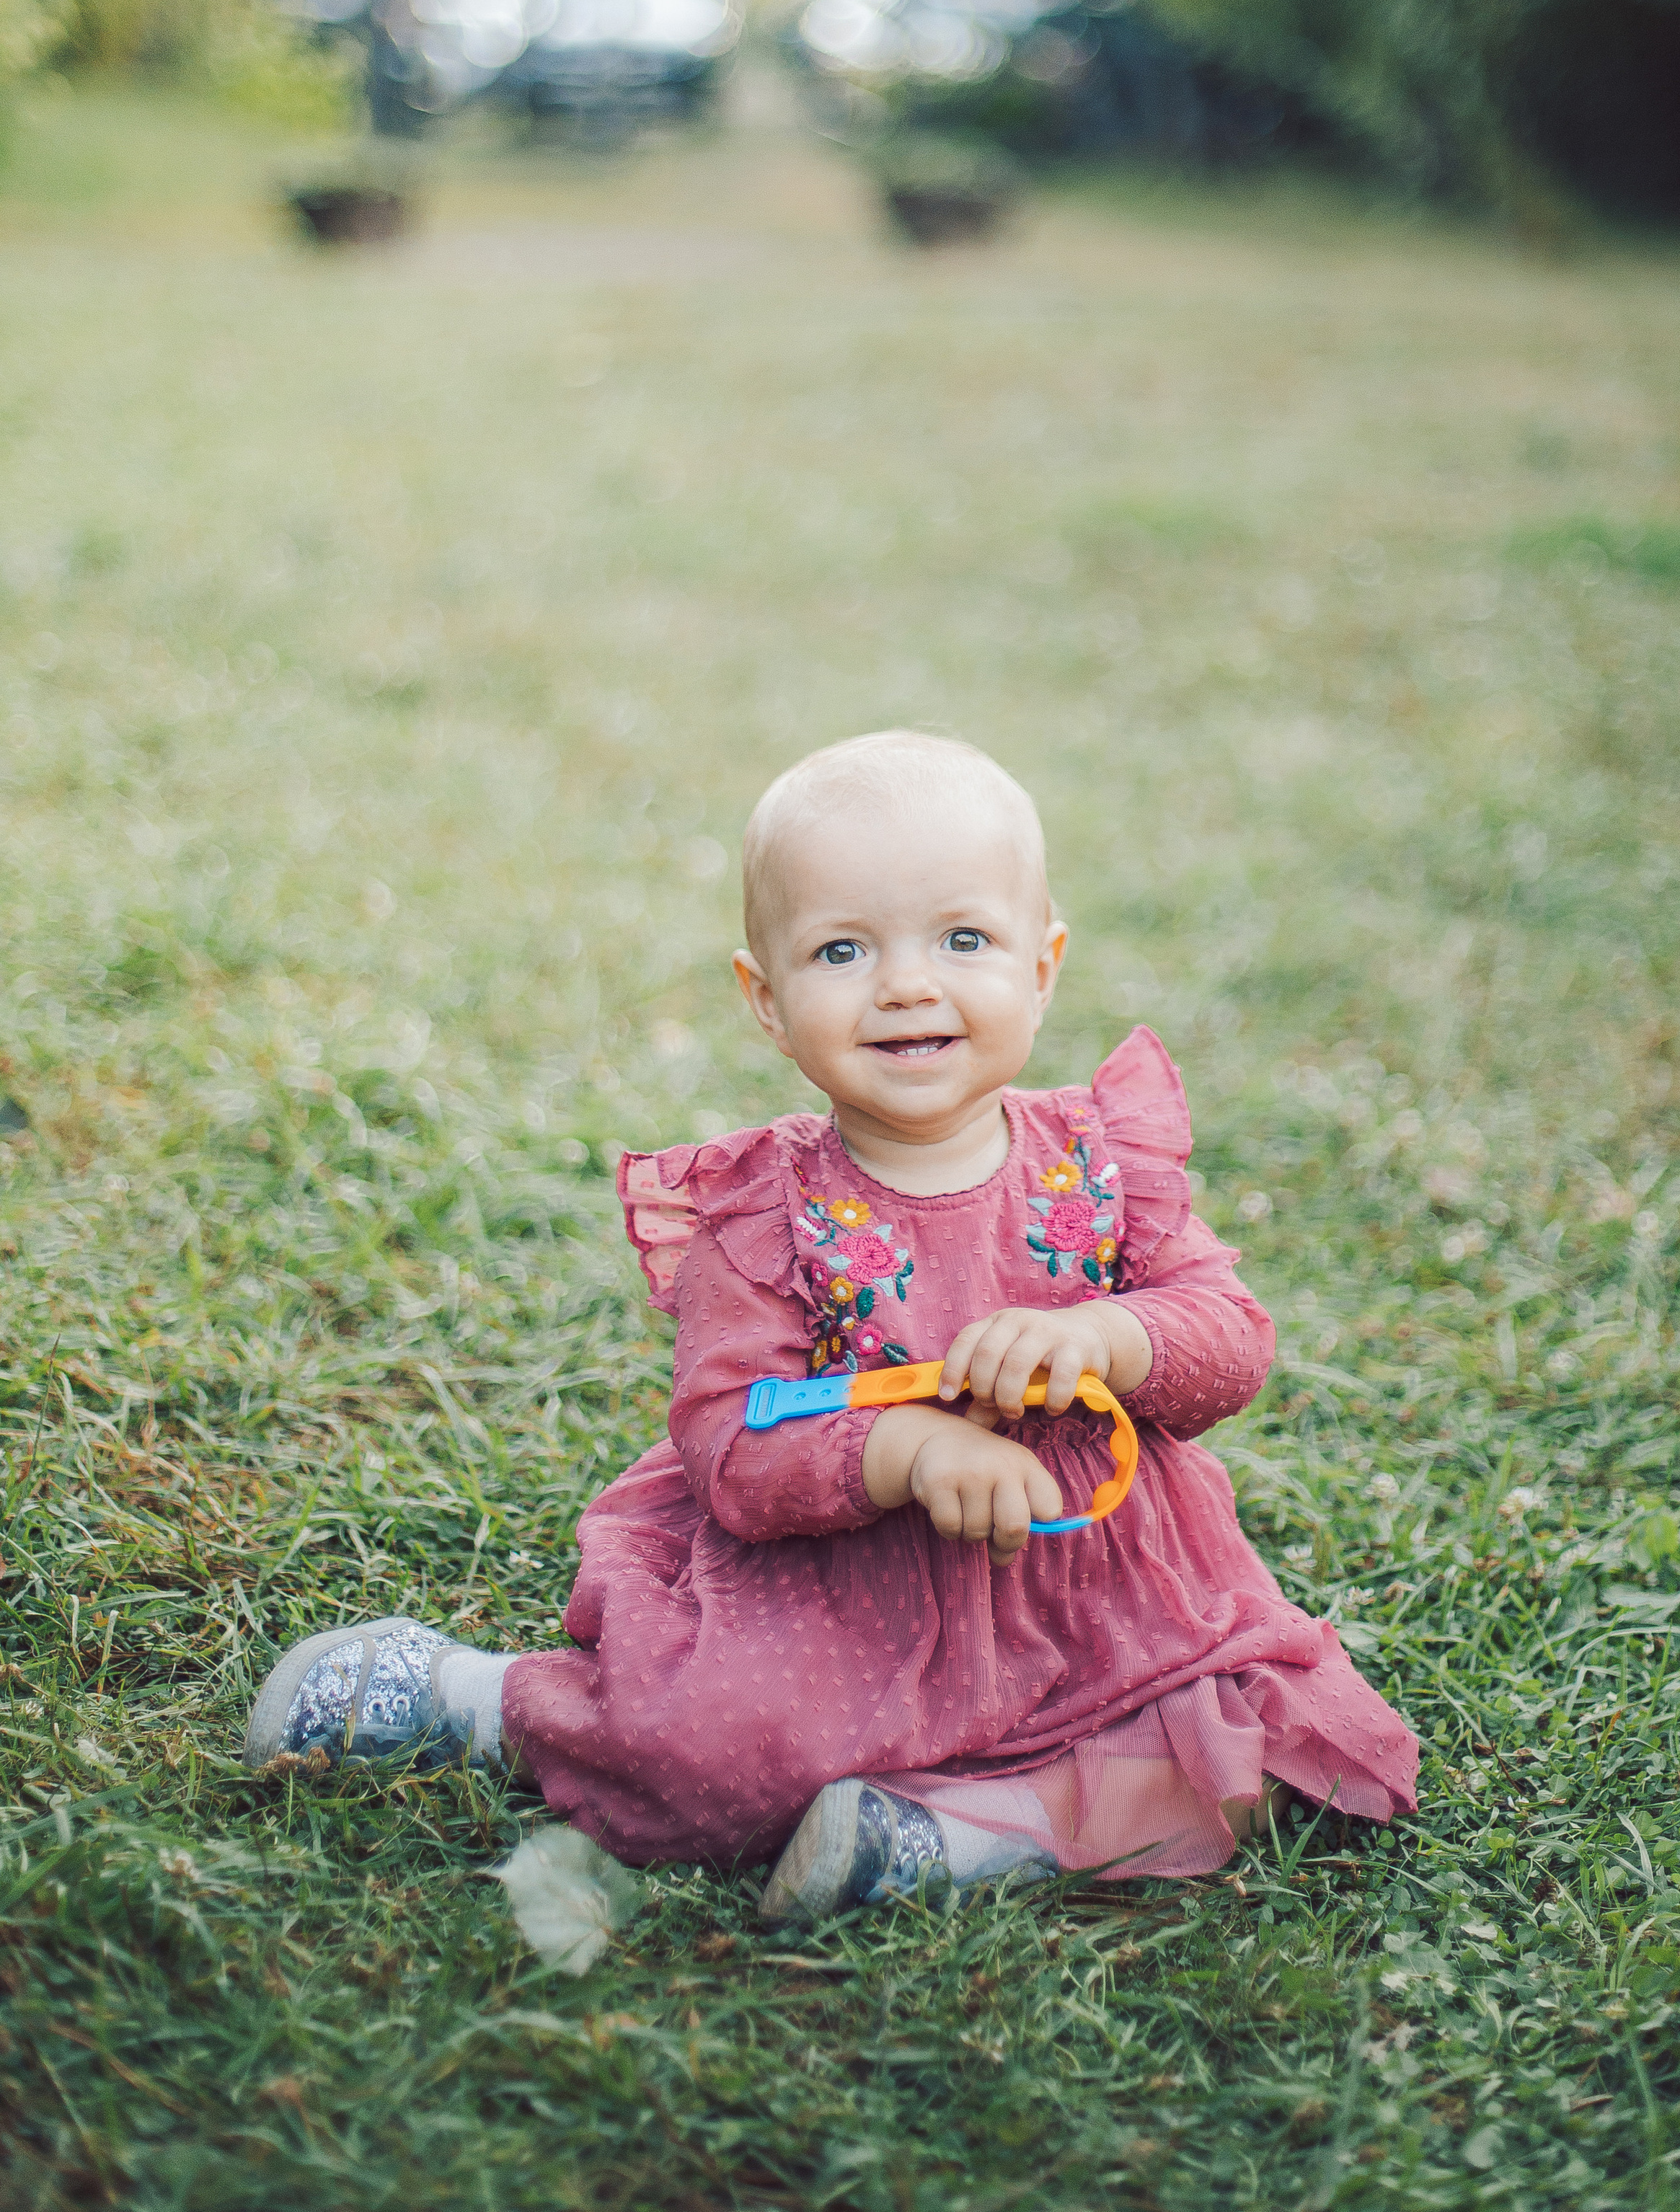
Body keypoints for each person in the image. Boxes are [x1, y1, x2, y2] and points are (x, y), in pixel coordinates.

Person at [246, 731, 1418, 1919]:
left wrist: (1112, 1339)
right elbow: (732, 1436)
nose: (908, 985)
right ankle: (478, 1701)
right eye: (844, 950)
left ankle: (965, 1837)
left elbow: (1230, 1336)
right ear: (766, 998)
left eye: (964, 940)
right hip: (856, 1602)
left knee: (1286, 1744)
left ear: (1044, 965)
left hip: (1105, 1593)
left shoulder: (1104, 1161)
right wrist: (908, 1451)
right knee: (708, 1759)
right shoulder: (766, 1212)